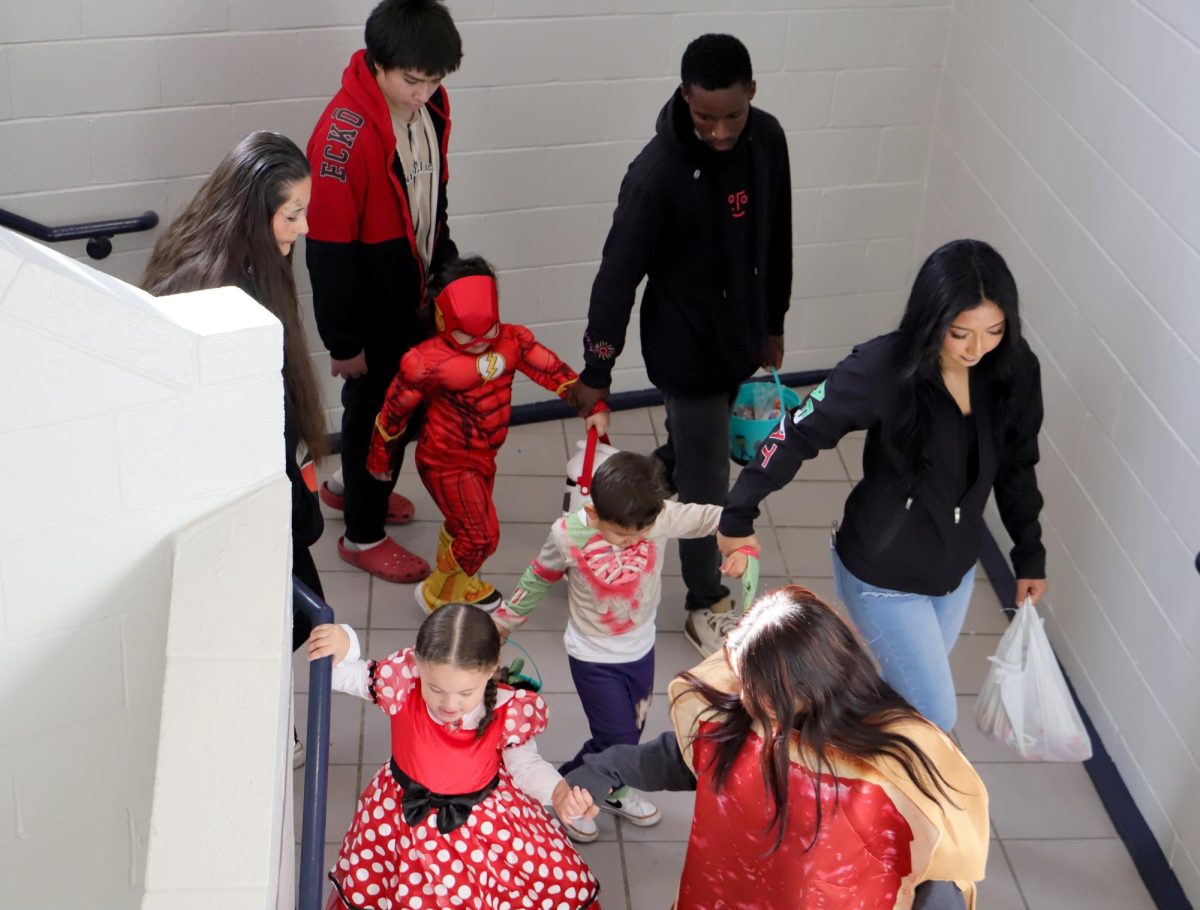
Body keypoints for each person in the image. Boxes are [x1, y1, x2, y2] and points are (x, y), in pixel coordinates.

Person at [718, 238, 1047, 732]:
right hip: (882, 575)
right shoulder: (882, 367)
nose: (977, 349)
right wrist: (737, 512)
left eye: (994, 331)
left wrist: (1030, 554)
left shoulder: (1015, 370)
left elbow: (1018, 466)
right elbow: (798, 431)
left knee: (905, 701)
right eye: (960, 334)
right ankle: (888, 790)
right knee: (935, 715)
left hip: (953, 574)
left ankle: (859, 780)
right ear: (932, 321)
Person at [567, 33, 793, 659]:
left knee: (695, 455)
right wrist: (597, 368)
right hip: (685, 352)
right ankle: (705, 602)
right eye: (704, 116)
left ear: (752, 92)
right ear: (684, 97)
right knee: (707, 485)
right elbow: (617, 275)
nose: (719, 131)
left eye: (731, 115)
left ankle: (601, 507)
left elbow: (778, 238)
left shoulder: (768, 140)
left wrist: (772, 324)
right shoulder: (657, 173)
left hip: (741, 339)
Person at [566, 585, 989, 910]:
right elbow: (673, 760)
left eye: (762, 692)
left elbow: (936, 877)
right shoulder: (737, 721)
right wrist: (599, 772)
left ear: (815, 685)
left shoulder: (890, 776)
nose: (749, 700)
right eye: (747, 685)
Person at [491, 452, 750, 843]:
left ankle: (612, 787)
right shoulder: (568, 534)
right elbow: (539, 577)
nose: (632, 542)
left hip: (641, 648)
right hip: (592, 655)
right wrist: (505, 621)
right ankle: (571, 790)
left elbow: (711, 517)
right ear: (593, 513)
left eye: (640, 534)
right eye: (622, 535)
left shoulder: (659, 517)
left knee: (630, 730)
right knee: (618, 738)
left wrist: (741, 544)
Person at [142, 130, 327, 649]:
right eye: (292, 214)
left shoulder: (213, 252)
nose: (304, 226)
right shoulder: (223, 296)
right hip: (236, 497)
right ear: (252, 212)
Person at [305, 0, 463, 584]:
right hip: (369, 306)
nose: (423, 93)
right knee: (379, 418)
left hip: (412, 291)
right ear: (376, 63)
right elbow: (327, 251)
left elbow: (433, 199)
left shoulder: (432, 110)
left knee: (407, 408)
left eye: (434, 80)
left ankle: (353, 490)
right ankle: (361, 536)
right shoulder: (343, 137)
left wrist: (445, 268)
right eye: (411, 81)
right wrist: (343, 342)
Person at [306, 603, 603, 909]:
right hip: (402, 823)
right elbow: (340, 676)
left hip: (485, 826)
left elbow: (525, 766)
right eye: (435, 688)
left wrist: (558, 792)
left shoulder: (505, 709)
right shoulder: (403, 683)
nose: (449, 704)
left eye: (465, 693)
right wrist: (345, 640)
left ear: (491, 670)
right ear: (418, 664)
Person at [367, 256, 610, 608]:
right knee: (482, 536)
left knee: (461, 526)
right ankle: (438, 594)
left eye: (488, 331)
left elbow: (554, 372)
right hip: (445, 460)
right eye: (468, 334)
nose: (480, 342)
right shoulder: (425, 362)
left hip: (483, 456)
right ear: (441, 319)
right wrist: (379, 456)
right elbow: (394, 411)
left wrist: (595, 406)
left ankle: (457, 582)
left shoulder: (512, 341)